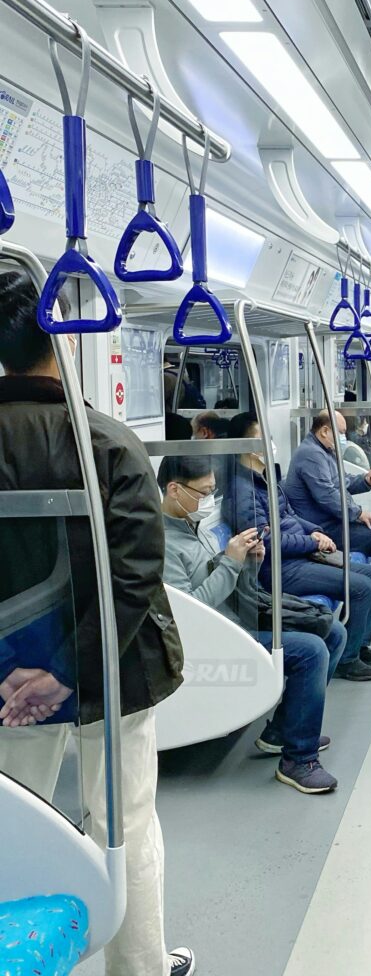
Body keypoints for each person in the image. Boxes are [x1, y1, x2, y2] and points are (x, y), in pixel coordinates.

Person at [0, 272, 193, 974]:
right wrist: (66, 667)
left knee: (14, 826)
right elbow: (134, 574)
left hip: (7, 683)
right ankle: (139, 967)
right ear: (60, 340)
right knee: (126, 821)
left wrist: (30, 672)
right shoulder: (108, 443)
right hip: (114, 668)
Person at [159, 456, 345, 793]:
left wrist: (248, 563)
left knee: (333, 631)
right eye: (203, 493)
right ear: (174, 490)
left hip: (232, 620)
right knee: (312, 650)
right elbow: (192, 612)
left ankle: (283, 730)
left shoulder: (193, 527)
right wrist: (231, 563)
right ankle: (297, 760)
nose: (207, 501)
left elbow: (226, 585)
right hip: (213, 638)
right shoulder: (164, 544)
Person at [227, 412, 371, 682]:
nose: (269, 444)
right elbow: (267, 541)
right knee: (361, 587)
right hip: (281, 567)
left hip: (302, 553)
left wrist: (314, 530)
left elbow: (289, 514)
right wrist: (310, 541)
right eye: (262, 438)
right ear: (244, 445)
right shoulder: (244, 491)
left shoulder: (266, 479)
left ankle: (359, 646)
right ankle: (348, 660)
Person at [285, 410, 371, 626]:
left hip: (335, 520)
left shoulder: (325, 451)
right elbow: (327, 496)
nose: (343, 438)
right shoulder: (310, 454)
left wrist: (367, 479)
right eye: (340, 433)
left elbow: (344, 482)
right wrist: (357, 513)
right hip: (322, 527)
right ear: (324, 431)